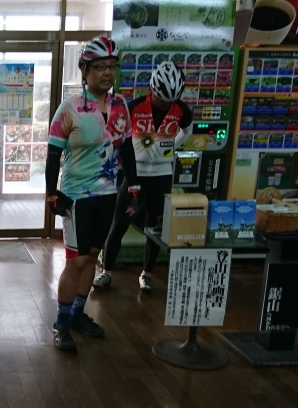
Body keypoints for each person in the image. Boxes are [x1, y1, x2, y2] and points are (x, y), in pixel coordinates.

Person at [45, 35, 129, 351]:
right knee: (76, 262)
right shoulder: (69, 109)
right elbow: (53, 154)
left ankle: (78, 314)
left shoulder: (120, 106)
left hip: (109, 193)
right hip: (77, 196)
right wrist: (52, 194)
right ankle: (61, 323)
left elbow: (125, 148)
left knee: (93, 257)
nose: (107, 73)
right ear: (85, 70)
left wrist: (133, 186)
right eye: (100, 67)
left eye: (111, 66)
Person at [92, 61, 193, 291]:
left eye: (170, 101)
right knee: (119, 224)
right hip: (134, 174)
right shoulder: (133, 107)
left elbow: (187, 130)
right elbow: (117, 134)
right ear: (153, 89)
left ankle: (146, 274)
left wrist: (172, 147)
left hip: (162, 175)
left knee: (154, 229)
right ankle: (106, 271)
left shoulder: (181, 110)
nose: (166, 104)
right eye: (162, 99)